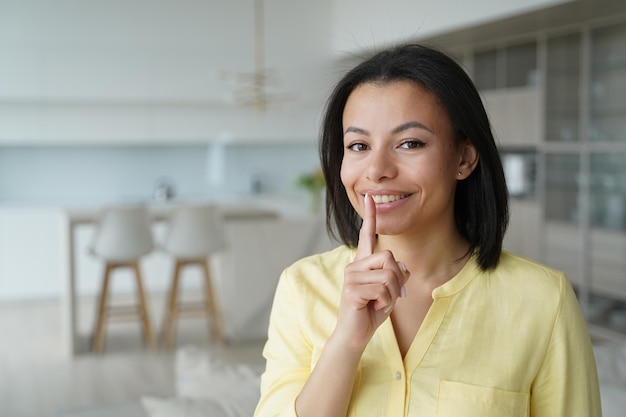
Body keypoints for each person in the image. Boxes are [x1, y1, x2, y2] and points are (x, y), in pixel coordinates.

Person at [254, 43, 601, 417]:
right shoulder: (301, 287)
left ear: (464, 158)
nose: (376, 170)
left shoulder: (543, 300)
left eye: (409, 143)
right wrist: (346, 343)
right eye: (358, 145)